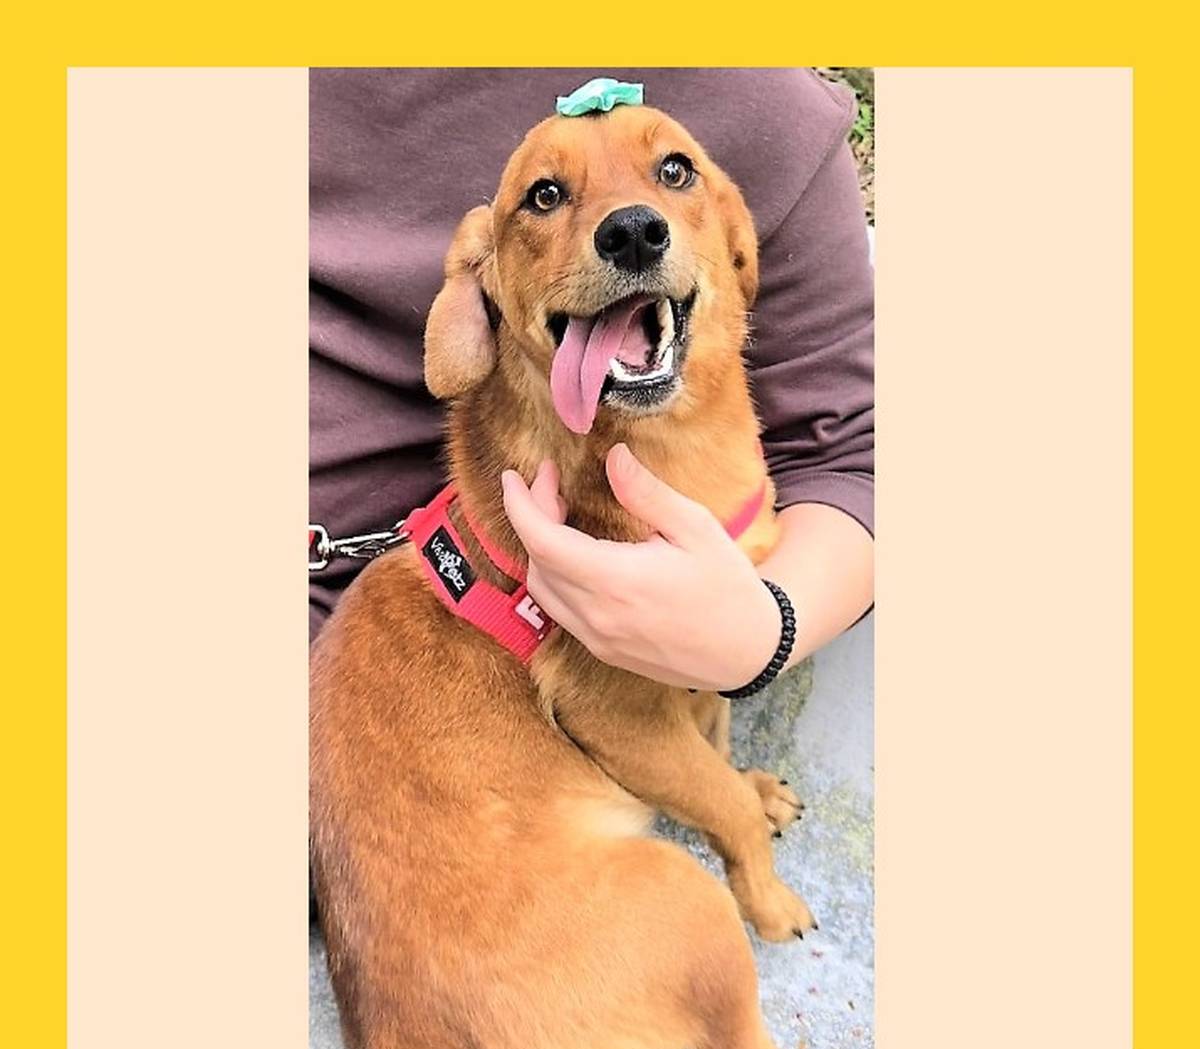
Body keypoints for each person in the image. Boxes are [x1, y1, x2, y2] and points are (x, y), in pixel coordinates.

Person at [310, 68, 873, 690]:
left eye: (673, 173)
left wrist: (762, 634)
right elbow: (452, 367)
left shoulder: (762, 101)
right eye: (547, 195)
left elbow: (855, 455)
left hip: (518, 626)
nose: (629, 223)